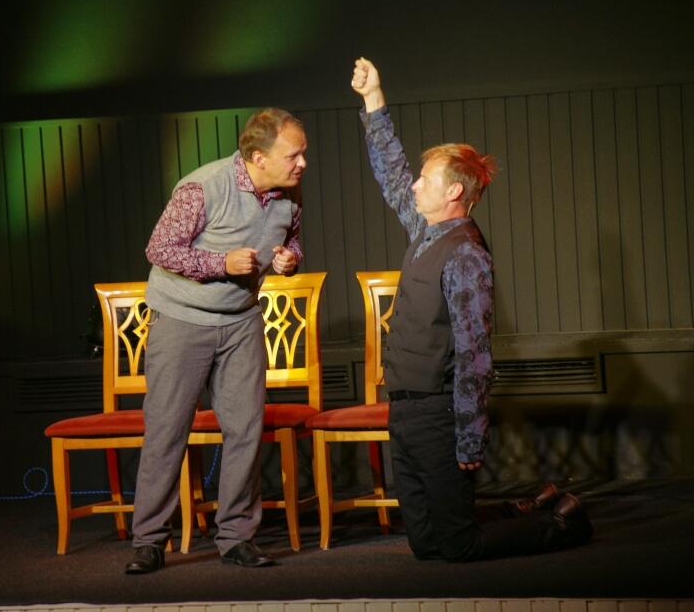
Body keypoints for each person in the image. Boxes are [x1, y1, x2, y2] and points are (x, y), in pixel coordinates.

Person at [351, 57, 593, 561]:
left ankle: (562, 525)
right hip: (405, 408)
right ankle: (525, 509)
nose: (414, 185)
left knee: (458, 546)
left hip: (438, 413)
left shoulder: (465, 255)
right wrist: (374, 100)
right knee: (426, 544)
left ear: (453, 191)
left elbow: (474, 354)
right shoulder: (426, 231)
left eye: (425, 179)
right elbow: (392, 174)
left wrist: (469, 437)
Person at [124, 108, 307, 574]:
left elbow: (291, 241)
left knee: (245, 428)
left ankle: (237, 537)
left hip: (241, 320)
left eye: (303, 153)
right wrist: (220, 263)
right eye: (294, 155)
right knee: (168, 430)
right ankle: (149, 541)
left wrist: (289, 260)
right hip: (182, 319)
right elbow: (159, 250)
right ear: (259, 157)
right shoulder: (202, 187)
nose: (303, 163)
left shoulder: (289, 192)